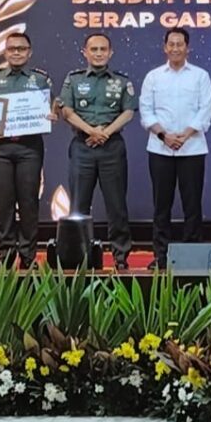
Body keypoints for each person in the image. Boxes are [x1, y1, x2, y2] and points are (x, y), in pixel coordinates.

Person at [0, 32, 56, 270]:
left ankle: (28, 256)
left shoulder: (41, 79)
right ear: (5, 52)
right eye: (12, 49)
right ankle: (6, 255)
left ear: (29, 52)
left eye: (21, 49)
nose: (16, 53)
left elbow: (53, 108)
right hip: (1, 148)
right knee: (4, 203)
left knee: (29, 201)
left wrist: (53, 114)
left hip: (29, 147)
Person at [59, 33, 137, 270]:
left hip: (112, 147)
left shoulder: (122, 81)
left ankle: (120, 257)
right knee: (78, 206)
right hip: (82, 146)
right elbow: (67, 111)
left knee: (117, 205)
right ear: (85, 52)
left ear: (110, 53)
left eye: (103, 49)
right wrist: (91, 131)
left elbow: (128, 112)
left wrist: (106, 133)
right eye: (94, 49)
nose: (99, 53)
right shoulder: (73, 79)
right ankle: (78, 257)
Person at [140, 28, 211, 270]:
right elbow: (146, 111)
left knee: (192, 206)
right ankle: (161, 256)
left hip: (192, 149)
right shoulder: (153, 77)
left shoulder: (200, 76)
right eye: (171, 44)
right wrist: (164, 135)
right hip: (160, 149)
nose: (175, 48)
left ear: (187, 48)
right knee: (161, 206)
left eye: (179, 44)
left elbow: (205, 109)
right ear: (165, 47)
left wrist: (186, 134)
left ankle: (193, 256)